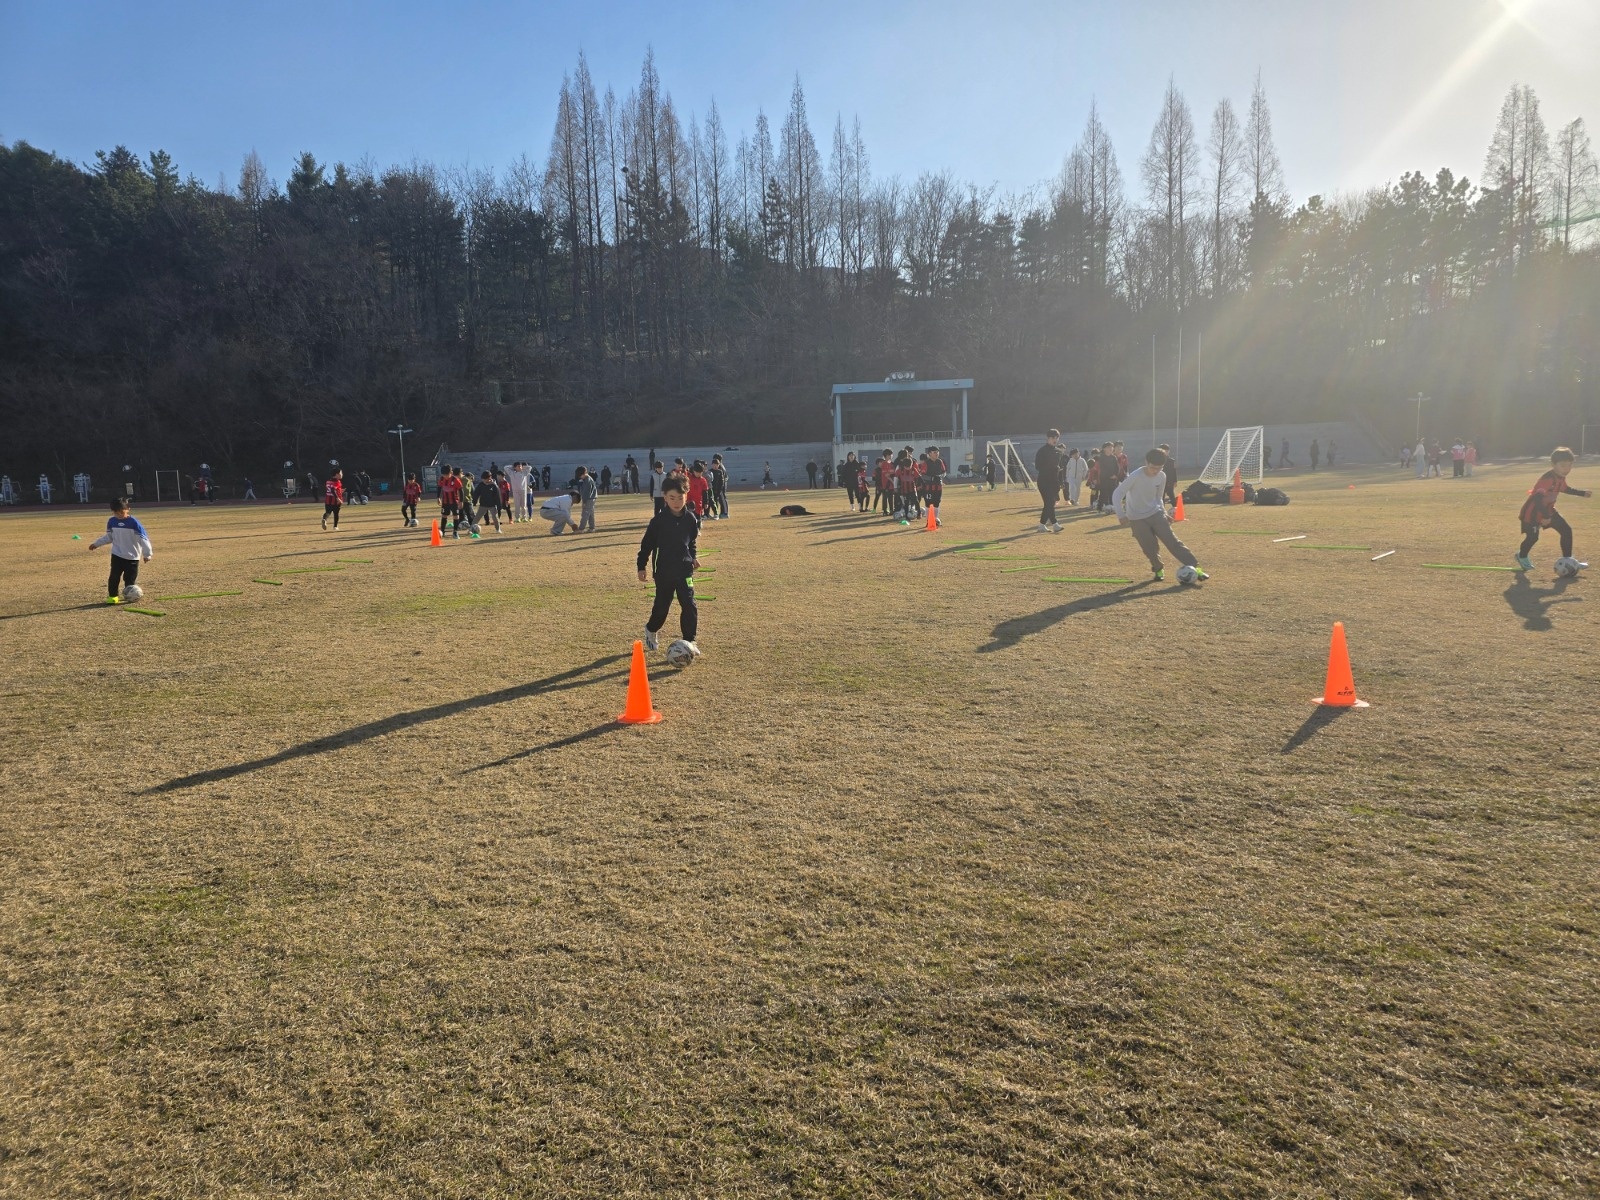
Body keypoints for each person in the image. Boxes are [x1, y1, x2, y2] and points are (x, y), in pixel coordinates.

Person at [1113, 448, 1209, 583]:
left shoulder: (1162, 476)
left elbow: (1158, 497)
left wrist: (1164, 513)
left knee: (1173, 542)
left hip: (1155, 513)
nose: (1156, 471)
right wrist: (1121, 514)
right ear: (1147, 462)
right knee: (1150, 548)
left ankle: (1196, 568)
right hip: (1136, 518)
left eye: (1159, 468)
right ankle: (1158, 568)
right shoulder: (1135, 476)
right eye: (1153, 468)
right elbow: (1117, 494)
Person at [636, 474, 701, 659]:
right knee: (662, 607)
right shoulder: (658, 522)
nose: (677, 502)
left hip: (684, 571)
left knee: (689, 605)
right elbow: (646, 546)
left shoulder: (690, 519)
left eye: (680, 497)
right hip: (663, 571)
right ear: (664, 497)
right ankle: (651, 629)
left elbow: (691, 543)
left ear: (686, 496)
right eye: (672, 498)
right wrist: (642, 567)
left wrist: (693, 557)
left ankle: (690, 641)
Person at [1517, 447, 1591, 571]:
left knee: (1566, 530)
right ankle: (1522, 556)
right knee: (1533, 538)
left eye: (1569, 466)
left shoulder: (1560, 477)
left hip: (1548, 510)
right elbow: (1537, 499)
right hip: (1533, 513)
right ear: (1553, 464)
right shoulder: (1547, 479)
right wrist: (1545, 517)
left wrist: (1582, 493)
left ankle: (1568, 560)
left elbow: (1565, 489)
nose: (1566, 469)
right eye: (1563, 466)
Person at [89, 496, 153, 604]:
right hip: (117, 555)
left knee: (129, 579)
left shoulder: (134, 523)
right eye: (116, 513)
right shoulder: (112, 522)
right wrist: (96, 544)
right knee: (114, 577)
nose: (119, 515)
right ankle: (113, 597)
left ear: (128, 509)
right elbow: (109, 537)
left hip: (132, 557)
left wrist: (147, 554)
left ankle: (131, 596)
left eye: (121, 512)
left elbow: (143, 539)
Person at [1034, 429, 1065, 532]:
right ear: (1048, 438)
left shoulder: (1059, 451)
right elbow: (1038, 466)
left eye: (1057, 438)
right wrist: (1051, 467)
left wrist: (1060, 482)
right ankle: (1043, 525)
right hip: (1043, 480)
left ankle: (1054, 524)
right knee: (1049, 502)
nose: (1055, 440)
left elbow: (1059, 468)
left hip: (1054, 481)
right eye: (1053, 438)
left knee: (1051, 503)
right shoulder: (1042, 451)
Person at [438, 465, 466, 539]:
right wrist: (438, 497)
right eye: (443, 475)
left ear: (451, 473)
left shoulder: (455, 480)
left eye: (446, 475)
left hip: (454, 501)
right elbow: (439, 488)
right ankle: (442, 531)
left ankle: (455, 532)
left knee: (456, 516)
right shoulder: (441, 479)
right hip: (445, 501)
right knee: (444, 515)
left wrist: (461, 501)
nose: (445, 476)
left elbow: (461, 490)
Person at [923, 445, 946, 526]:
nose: (937, 454)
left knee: (937, 503)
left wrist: (940, 477)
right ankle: (928, 521)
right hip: (929, 487)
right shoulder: (926, 463)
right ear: (929, 454)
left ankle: (935, 519)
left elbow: (944, 472)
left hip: (938, 486)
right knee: (928, 503)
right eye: (934, 452)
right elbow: (922, 475)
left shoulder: (940, 462)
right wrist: (932, 478)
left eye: (937, 452)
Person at [573, 465, 597, 532]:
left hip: (589, 499)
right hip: (592, 498)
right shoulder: (588, 478)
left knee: (585, 514)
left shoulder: (587, 480)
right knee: (591, 513)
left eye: (580, 476)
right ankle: (592, 528)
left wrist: (584, 502)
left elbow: (586, 493)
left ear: (583, 474)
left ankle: (581, 528)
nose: (580, 477)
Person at [1156, 443, 1178, 511]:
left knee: (1171, 494)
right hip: (1160, 480)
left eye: (1167, 451)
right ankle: (1162, 510)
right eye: (1164, 450)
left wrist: (1175, 481)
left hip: (1169, 481)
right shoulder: (1157, 460)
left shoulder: (1171, 461)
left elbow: (1174, 472)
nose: (1166, 452)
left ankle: (1177, 508)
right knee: (1161, 496)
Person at [709, 454, 729, 519]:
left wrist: (720, 487)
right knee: (717, 499)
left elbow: (723, 478)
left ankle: (725, 513)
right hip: (718, 486)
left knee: (722, 498)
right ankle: (720, 513)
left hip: (721, 486)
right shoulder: (720, 466)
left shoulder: (720, 468)